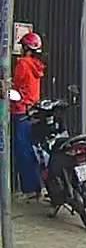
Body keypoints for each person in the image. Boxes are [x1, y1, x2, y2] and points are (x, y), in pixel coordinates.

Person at [10, 32, 45, 200]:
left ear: (26, 48)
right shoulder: (37, 66)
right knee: (32, 150)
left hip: (20, 111)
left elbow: (16, 87)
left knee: (22, 151)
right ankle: (37, 187)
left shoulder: (23, 64)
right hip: (33, 111)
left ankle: (28, 189)